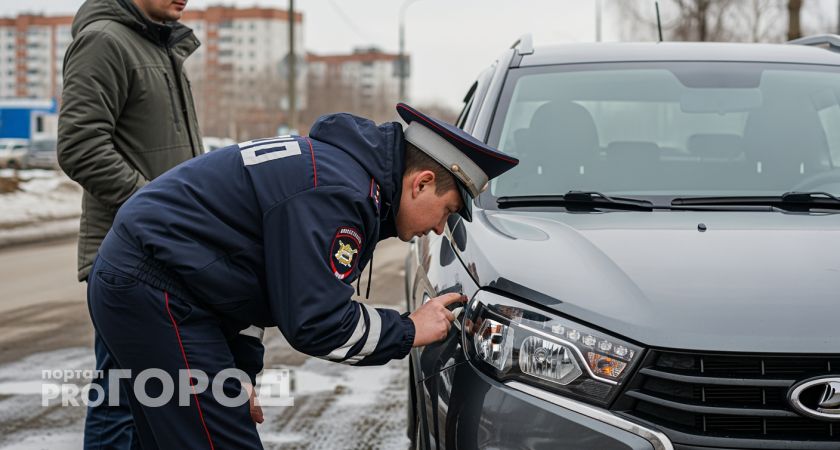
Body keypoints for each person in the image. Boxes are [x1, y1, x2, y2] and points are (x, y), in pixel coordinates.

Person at [86, 103, 518, 448]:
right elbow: (316, 323)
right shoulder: (340, 196)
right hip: (156, 292)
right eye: (447, 211)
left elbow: (249, 282)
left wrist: (238, 371)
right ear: (421, 183)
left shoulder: (344, 175)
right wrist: (407, 328)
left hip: (145, 280)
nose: (441, 228)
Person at [56, 0, 203, 447]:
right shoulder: (105, 41)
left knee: (155, 400)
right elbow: (80, 145)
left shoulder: (159, 46)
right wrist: (155, 208)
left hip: (166, 251)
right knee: (121, 401)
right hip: (130, 257)